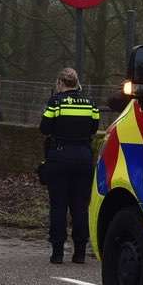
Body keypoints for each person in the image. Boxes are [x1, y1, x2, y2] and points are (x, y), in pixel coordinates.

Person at [39, 67, 100, 265]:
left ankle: (57, 252)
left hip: (59, 155)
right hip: (83, 156)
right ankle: (80, 252)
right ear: (76, 82)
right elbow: (94, 127)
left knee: (58, 205)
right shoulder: (90, 102)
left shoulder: (56, 102)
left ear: (60, 83)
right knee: (80, 206)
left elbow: (44, 128)